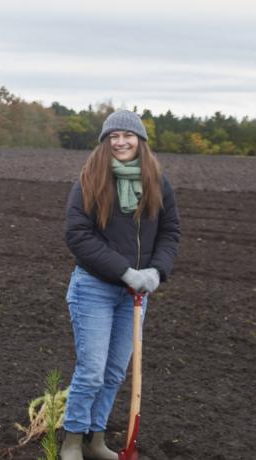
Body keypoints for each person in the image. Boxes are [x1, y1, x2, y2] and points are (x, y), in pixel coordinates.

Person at [60, 110, 180, 459]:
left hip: (138, 293)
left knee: (114, 373)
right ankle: (72, 440)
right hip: (94, 288)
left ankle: (96, 441)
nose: (121, 141)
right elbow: (78, 236)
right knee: (92, 371)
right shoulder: (89, 180)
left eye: (128, 135)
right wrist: (125, 272)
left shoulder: (158, 182)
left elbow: (171, 233)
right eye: (113, 136)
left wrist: (156, 271)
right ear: (104, 142)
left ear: (140, 141)